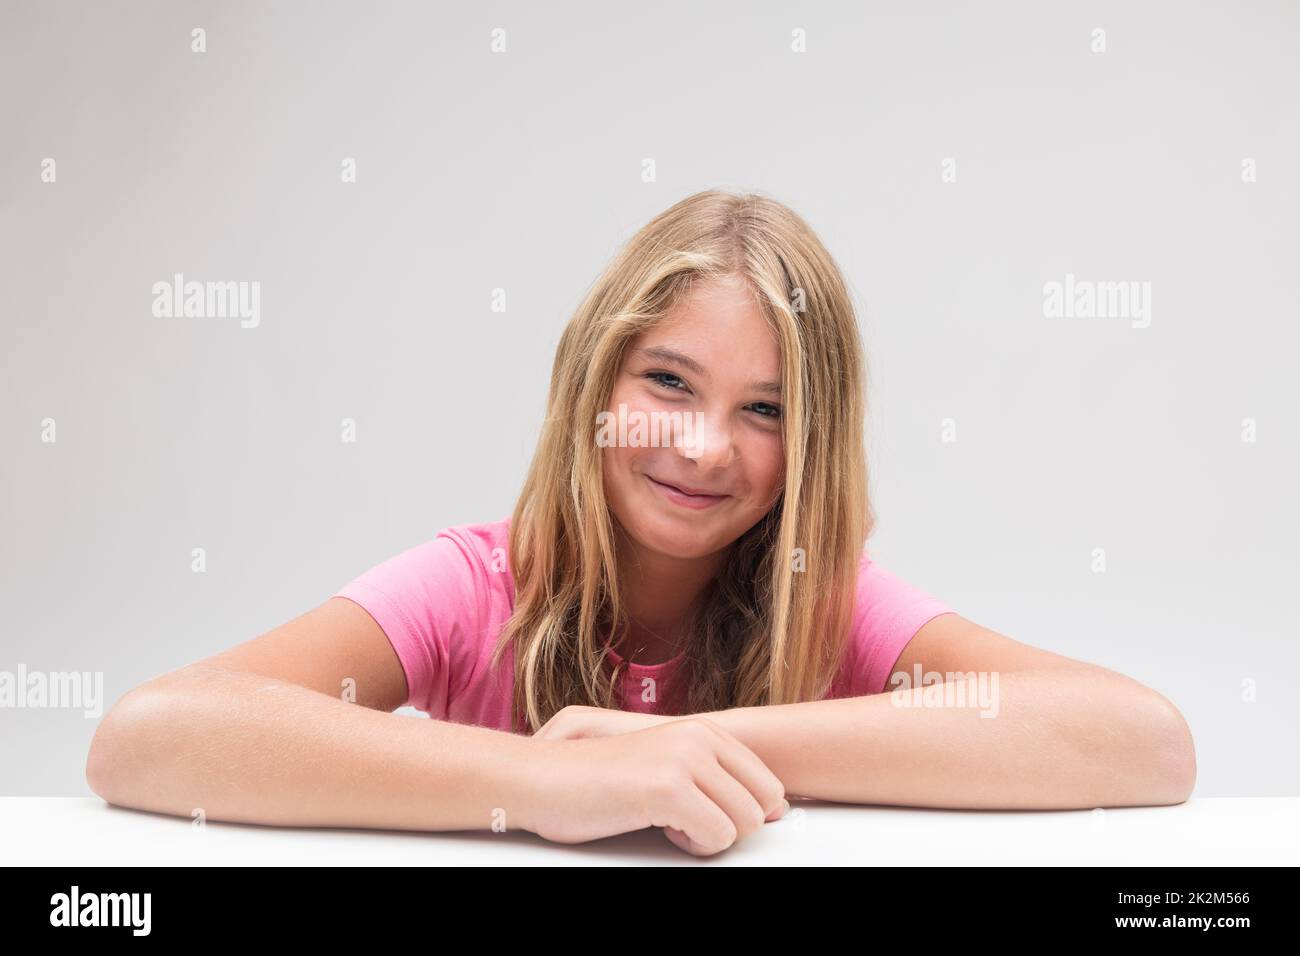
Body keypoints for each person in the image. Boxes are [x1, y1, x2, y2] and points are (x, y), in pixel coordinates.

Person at [85, 190, 1196, 856]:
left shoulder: (827, 598)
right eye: (669, 381)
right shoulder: (478, 584)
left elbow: (1141, 739)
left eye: (765, 410)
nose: (708, 445)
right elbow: (149, 735)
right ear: (593, 383)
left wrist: (697, 751)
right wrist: (543, 781)